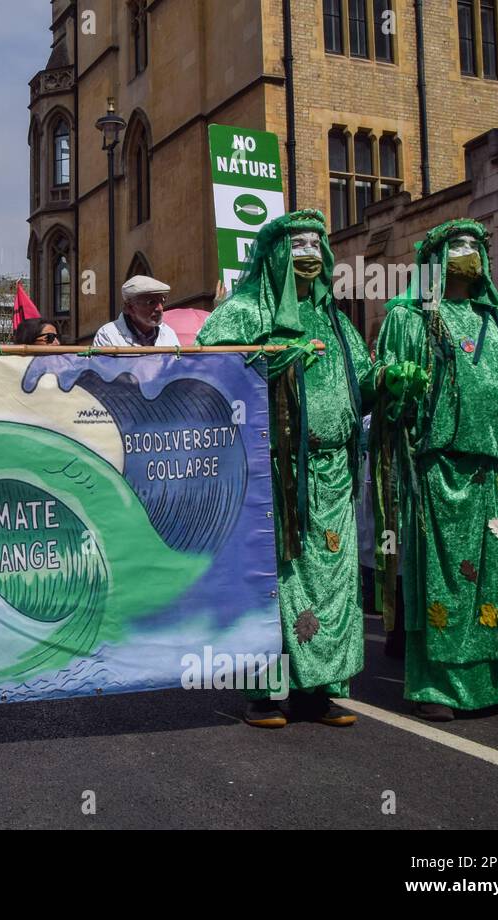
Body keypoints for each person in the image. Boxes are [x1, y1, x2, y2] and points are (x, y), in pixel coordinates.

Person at [196, 210, 399, 729]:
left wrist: (390, 380)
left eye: (317, 243)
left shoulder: (335, 319)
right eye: (299, 243)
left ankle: (319, 690)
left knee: (332, 582)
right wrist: (275, 365)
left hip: (333, 478)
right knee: (275, 581)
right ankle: (265, 693)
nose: (310, 252)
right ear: (277, 253)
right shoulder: (242, 312)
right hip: (274, 476)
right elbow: (208, 377)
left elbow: (361, 385)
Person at [374, 219, 498, 723]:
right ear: (435, 261)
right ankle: (437, 688)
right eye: (457, 247)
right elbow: (393, 398)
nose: (468, 255)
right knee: (448, 580)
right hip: (443, 469)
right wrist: (401, 393)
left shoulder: (495, 321)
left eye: (474, 247)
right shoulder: (413, 320)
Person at [93, 275, 180, 347]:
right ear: (130, 308)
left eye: (162, 301)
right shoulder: (107, 335)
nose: (160, 308)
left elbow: (176, 366)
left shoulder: (168, 333)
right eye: (151, 302)